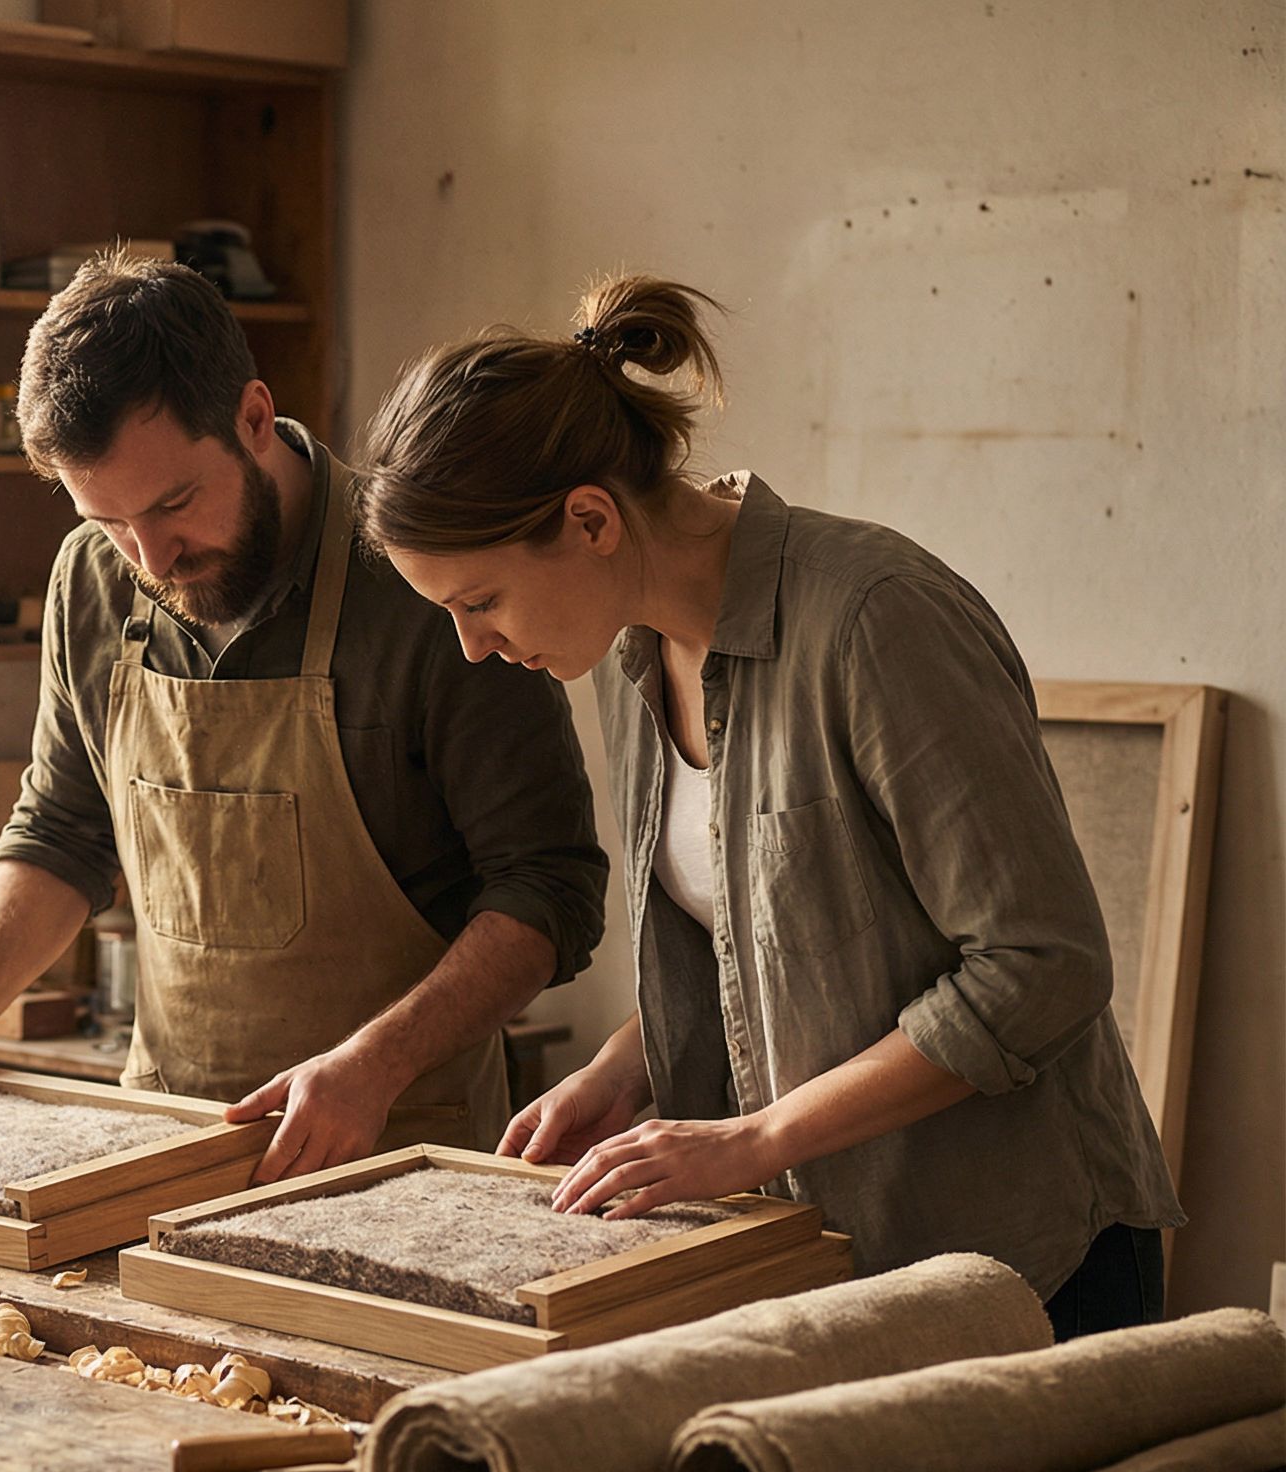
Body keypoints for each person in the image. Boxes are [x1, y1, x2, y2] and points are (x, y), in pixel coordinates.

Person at [355, 274, 1180, 1336]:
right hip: (832, 1261)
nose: (474, 646)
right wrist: (625, 1069)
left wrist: (756, 1138)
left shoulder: (876, 619)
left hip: (1025, 1256)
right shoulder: (628, 651)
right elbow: (757, 943)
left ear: (592, 520)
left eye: (481, 602)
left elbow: (1042, 965)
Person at [0, 254, 607, 1182]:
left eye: (175, 504)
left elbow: (548, 888)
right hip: (165, 1138)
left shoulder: (423, 579)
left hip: (404, 1147)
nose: (153, 555)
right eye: (111, 521)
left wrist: (374, 1065)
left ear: (254, 417)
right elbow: (62, 832)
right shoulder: (92, 580)